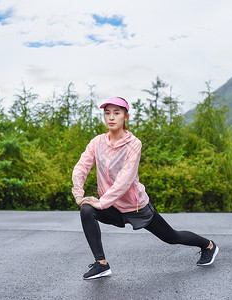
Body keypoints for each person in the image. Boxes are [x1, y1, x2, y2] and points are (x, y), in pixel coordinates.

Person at [72, 97, 219, 280]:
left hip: (136, 207)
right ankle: (101, 264)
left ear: (126, 116)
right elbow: (81, 167)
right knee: (86, 210)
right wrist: (79, 194)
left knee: (171, 237)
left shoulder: (134, 144)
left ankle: (208, 245)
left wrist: (102, 202)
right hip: (110, 206)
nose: (111, 117)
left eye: (116, 113)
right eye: (107, 113)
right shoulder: (97, 142)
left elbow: (125, 180)